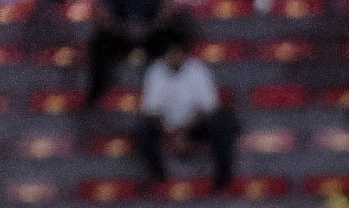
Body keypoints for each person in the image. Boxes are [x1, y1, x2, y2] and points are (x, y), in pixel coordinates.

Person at [135, 41, 238, 191]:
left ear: (184, 55)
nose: (174, 58)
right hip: (166, 127)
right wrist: (172, 132)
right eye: (170, 54)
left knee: (220, 123)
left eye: (177, 53)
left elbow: (207, 107)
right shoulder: (155, 71)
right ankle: (158, 176)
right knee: (141, 128)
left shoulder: (197, 69)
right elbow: (151, 110)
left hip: (195, 126)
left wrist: (183, 132)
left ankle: (223, 177)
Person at [86, 0, 195, 106]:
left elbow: (166, 9)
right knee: (99, 44)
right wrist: (123, 30)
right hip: (120, 33)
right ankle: (97, 92)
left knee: (173, 38)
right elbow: (103, 12)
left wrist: (149, 28)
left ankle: (166, 91)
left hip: (151, 33)